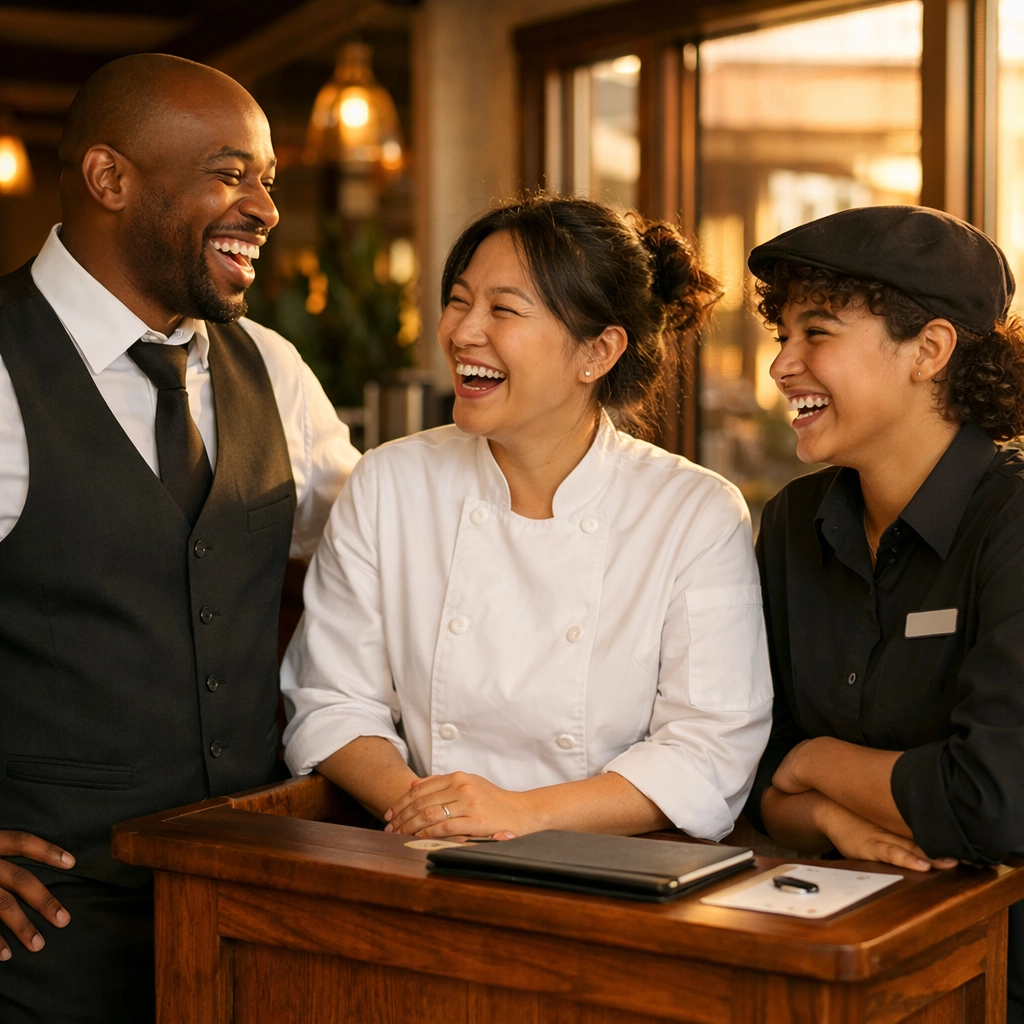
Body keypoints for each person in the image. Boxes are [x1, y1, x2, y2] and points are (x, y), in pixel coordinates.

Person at [0, 54, 360, 1022]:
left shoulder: (273, 371)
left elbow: (394, 553)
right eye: (230, 172)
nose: (265, 209)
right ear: (111, 180)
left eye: (269, 182)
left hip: (245, 917)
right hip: (41, 945)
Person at [282, 194, 772, 843]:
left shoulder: (693, 513)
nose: (462, 331)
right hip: (421, 854)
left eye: (503, 309)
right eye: (458, 300)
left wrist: (521, 815)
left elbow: (709, 748)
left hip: (609, 875)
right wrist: (431, 813)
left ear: (597, 352)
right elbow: (331, 701)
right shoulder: (391, 482)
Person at [742, 206, 1024, 1020]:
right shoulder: (794, 524)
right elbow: (755, 766)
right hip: (837, 949)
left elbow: (994, 802)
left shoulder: (1012, 521)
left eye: (817, 332)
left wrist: (820, 761)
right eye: (781, 337)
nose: (782, 366)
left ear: (929, 351)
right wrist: (830, 813)